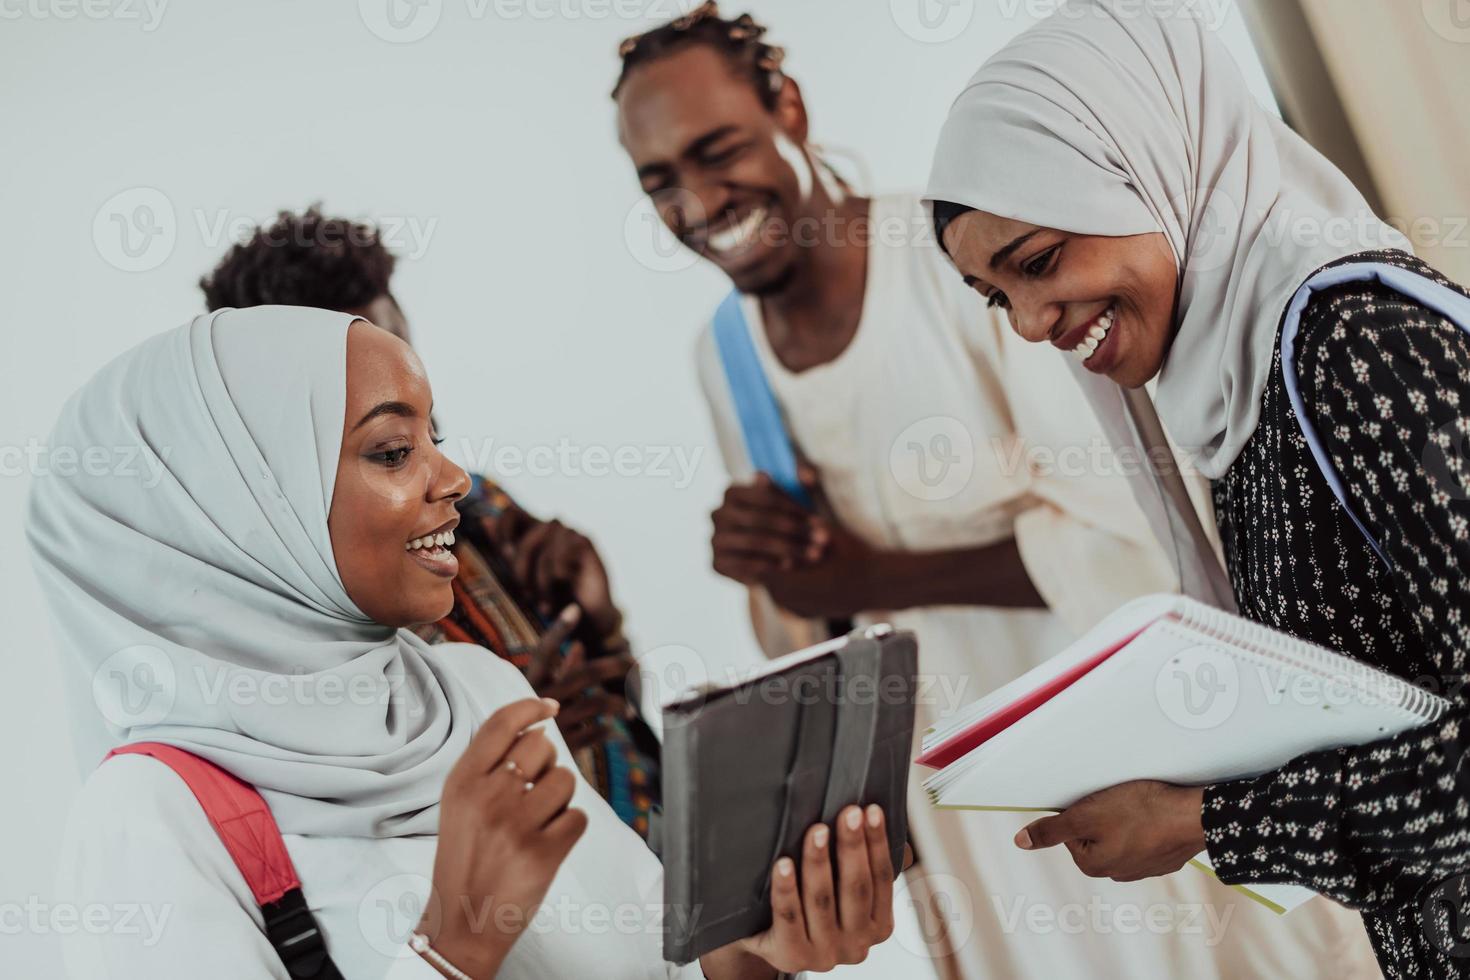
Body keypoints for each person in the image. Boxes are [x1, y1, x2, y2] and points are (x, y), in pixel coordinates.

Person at [613, 4, 1374, 977]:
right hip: (974, 818)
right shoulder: (726, 358)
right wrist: (773, 570)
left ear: (787, 108)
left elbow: (1138, 537)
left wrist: (879, 566)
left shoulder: (968, 264)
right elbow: (816, 624)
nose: (697, 199)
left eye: (716, 149)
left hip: (1130, 759)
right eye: (658, 182)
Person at [29, 306, 896, 979]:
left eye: (435, 438)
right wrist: (455, 943)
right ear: (240, 511)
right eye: (394, 450)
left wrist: (762, 948)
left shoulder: (478, 694)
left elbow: (660, 962)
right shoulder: (147, 820)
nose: (455, 480)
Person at [926, 0, 1470, 976]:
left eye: (1041, 263)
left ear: (1152, 162)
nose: (1032, 324)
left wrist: (1209, 818)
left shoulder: (1352, 347)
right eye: (998, 297)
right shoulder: (1244, 391)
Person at [199, 207, 661, 841]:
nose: (418, 383)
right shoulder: (289, 608)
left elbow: (623, 713)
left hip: (651, 871)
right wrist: (493, 730)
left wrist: (604, 625)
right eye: (378, 366)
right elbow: (350, 832)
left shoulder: (479, 510)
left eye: (405, 345)